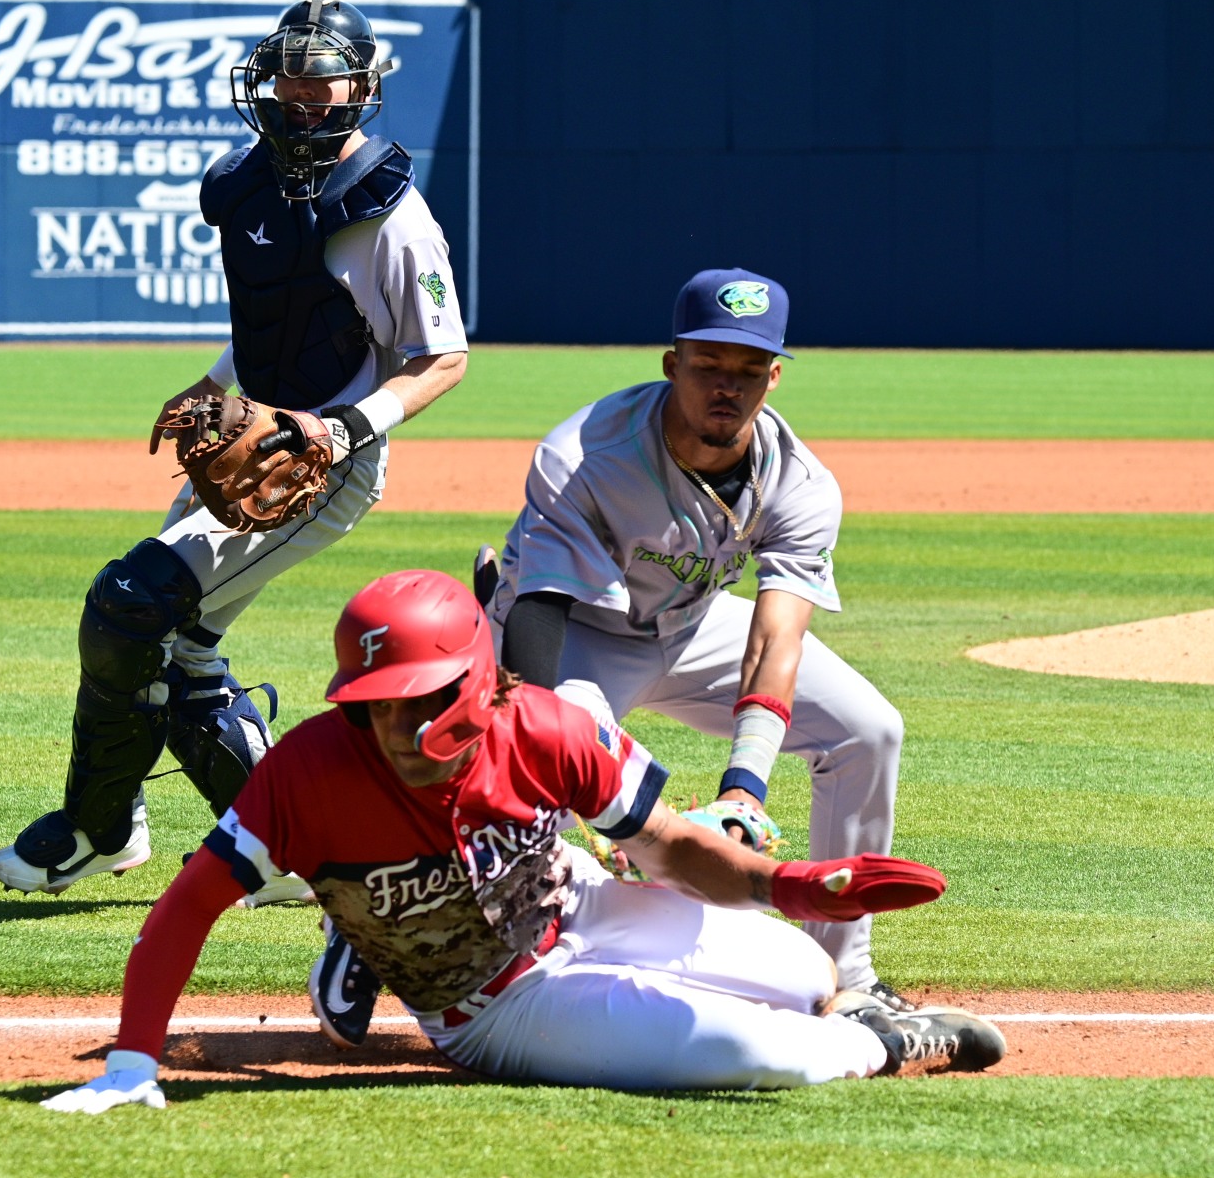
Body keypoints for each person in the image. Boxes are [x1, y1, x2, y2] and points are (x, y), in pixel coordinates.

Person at [40, 570, 1003, 1112]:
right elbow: (186, 908)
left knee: (804, 972)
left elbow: (669, 846)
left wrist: (789, 886)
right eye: (375, 704)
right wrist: (133, 1062)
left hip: (573, 902)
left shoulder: (546, 726)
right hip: (491, 1004)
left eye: (421, 700)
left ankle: (359, 926)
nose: (397, 728)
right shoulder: (307, 772)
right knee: (775, 1053)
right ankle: (881, 1045)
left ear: (478, 681)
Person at [322, 268, 907, 1042]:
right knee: (536, 781)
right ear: (672, 365)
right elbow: (542, 612)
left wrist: (744, 790)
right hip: (573, 630)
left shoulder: (800, 483)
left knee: (869, 729)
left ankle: (848, 978)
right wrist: (548, 747)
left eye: (747, 370)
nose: (726, 387)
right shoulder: (587, 453)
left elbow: (776, 635)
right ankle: (369, 921)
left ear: (773, 378)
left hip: (693, 625)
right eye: (708, 365)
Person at [0, 0, 469, 901]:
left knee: (131, 605)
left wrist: (344, 427)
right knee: (179, 647)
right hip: (250, 439)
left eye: (321, 77)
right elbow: (278, 322)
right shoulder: (248, 181)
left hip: (322, 465)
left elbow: (442, 358)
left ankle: (98, 828)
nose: (300, 93)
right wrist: (212, 385)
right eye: (287, 73)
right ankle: (284, 848)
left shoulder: (394, 215)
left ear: (362, 88)